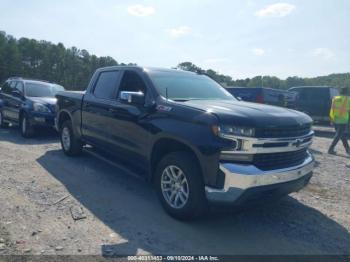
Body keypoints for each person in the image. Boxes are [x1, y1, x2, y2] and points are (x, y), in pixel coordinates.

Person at [328, 87, 350, 155]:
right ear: (347, 92)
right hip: (343, 120)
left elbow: (332, 109)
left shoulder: (335, 98)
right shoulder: (348, 99)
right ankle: (330, 149)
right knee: (338, 135)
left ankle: (347, 149)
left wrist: (331, 119)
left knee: (342, 135)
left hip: (335, 119)